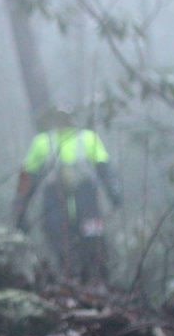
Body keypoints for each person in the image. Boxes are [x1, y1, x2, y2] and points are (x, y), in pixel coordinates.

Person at [11, 106, 122, 283]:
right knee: (61, 243)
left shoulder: (88, 139)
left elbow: (104, 168)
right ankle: (71, 281)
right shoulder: (43, 142)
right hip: (56, 197)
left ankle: (95, 280)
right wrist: (20, 207)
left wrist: (114, 191)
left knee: (93, 241)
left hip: (85, 196)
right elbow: (28, 177)